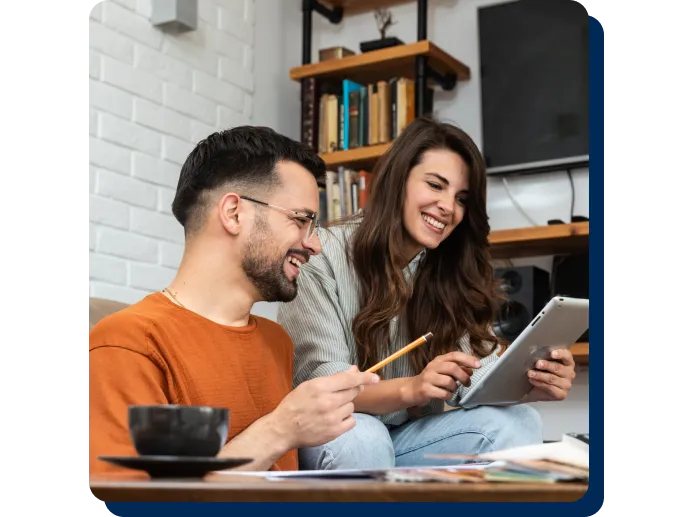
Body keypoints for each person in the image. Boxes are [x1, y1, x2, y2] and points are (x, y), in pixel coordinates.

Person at [277, 116, 577, 470]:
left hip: (405, 438)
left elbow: (474, 371)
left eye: (461, 198)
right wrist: (412, 388)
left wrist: (528, 384)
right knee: (364, 434)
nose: (448, 207)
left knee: (521, 420)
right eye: (435, 185)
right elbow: (327, 386)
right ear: (398, 181)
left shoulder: (444, 271)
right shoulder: (320, 254)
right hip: (334, 431)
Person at [88, 126, 380, 475]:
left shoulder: (277, 343)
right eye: (301, 220)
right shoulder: (127, 342)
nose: (315, 244)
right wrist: (281, 429)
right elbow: (128, 504)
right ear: (233, 213)